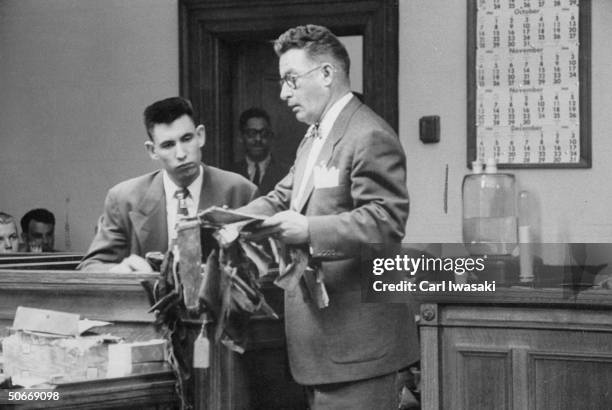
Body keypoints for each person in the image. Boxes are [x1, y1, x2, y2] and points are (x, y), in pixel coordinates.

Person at [238, 25, 419, 409]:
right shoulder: (315, 137)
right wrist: (234, 219)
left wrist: (308, 230)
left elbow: (386, 221)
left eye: (290, 79)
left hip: (360, 352)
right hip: (325, 350)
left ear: (326, 74)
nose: (283, 94)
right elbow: (284, 195)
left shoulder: (368, 133)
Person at [78, 97, 258, 272]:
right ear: (152, 150)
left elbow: (261, 268)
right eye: (168, 145)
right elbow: (91, 266)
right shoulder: (124, 199)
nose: (181, 153)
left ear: (200, 136)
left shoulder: (241, 192)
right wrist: (119, 271)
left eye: (187, 139)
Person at [230, 107, 289, 195]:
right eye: (252, 133)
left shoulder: (286, 174)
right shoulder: (231, 173)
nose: (258, 139)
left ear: (270, 136)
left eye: (264, 133)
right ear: (241, 137)